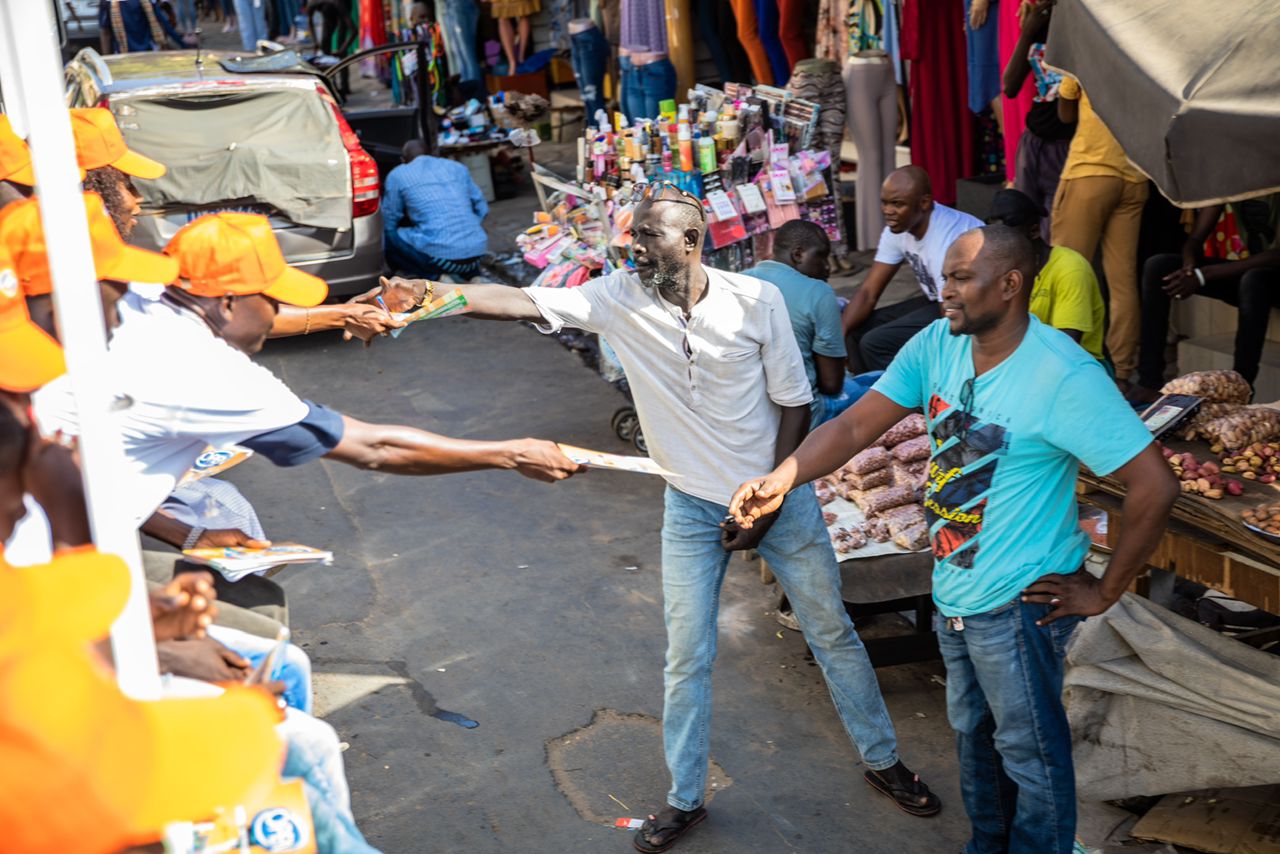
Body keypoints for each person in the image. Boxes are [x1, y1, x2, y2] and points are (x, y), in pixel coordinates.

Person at [373, 183, 941, 852]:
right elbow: (520, 300)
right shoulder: (615, 298)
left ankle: (883, 762)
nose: (633, 245)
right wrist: (441, 296)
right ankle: (685, 799)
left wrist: (770, 497)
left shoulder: (757, 303)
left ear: (691, 242)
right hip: (690, 507)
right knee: (686, 655)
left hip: (779, 502)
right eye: (632, 235)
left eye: (648, 235)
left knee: (832, 633)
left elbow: (795, 404)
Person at [729, 225, 1179, 854]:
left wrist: (1106, 589)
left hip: (1020, 604)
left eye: (962, 278)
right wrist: (782, 478)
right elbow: (858, 422)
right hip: (955, 591)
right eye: (945, 277)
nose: (946, 291)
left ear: (1011, 284)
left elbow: (1154, 484)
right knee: (975, 739)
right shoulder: (938, 342)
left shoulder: (1063, 375)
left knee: (1031, 757)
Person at [1050, 75, 1149, 387]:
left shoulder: (1087, 50)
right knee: (1123, 281)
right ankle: (1122, 372)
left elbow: (1065, 115)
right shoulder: (1147, 54)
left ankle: (1059, 369)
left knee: (1064, 270)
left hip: (1090, 172)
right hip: (1134, 178)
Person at [1135, 197, 1280, 398]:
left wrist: (1204, 275)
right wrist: (1189, 264)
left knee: (1254, 280)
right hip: (1249, 275)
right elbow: (1195, 239)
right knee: (1158, 266)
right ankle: (1149, 382)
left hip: (1268, 278)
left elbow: (1276, 256)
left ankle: (1238, 391)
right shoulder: (1233, 180)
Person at [842, 165, 982, 373]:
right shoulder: (898, 227)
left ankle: (908, 398)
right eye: (885, 203)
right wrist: (837, 336)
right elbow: (869, 291)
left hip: (969, 306)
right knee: (854, 332)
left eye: (897, 204)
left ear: (924, 203)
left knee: (875, 343)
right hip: (939, 299)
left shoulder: (945, 240)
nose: (888, 211)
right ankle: (866, 389)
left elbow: (951, 312)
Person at [744, 220, 847, 427]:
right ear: (798, 254)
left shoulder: (738, 281)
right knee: (879, 383)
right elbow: (831, 384)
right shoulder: (819, 292)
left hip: (750, 416)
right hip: (805, 417)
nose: (828, 267)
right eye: (822, 257)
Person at [986, 188, 1105, 361]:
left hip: (1077, 369)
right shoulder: (1004, 270)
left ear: (1034, 231)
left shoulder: (1070, 268)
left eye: (1008, 239)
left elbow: (1065, 348)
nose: (1000, 247)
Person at [1001, 0, 1073, 243]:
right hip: (1032, 143)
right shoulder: (1039, 23)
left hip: (1065, 148)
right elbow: (1010, 86)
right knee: (1017, 223)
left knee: (1053, 234)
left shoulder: (1081, 30)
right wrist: (1028, 32)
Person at [382, 139, 489, 281]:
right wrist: (470, 227)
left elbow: (390, 218)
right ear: (432, 154)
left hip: (440, 260)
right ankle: (474, 276)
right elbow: (482, 208)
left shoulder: (397, 175)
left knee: (388, 235)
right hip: (479, 252)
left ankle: (436, 277)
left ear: (403, 160)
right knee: (457, 245)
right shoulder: (457, 167)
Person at [99, 0, 192, 52]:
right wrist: (182, 44)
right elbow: (162, 22)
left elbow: (105, 32)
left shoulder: (108, 3)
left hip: (124, 54)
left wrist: (107, 58)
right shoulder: (147, 2)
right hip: (149, 52)